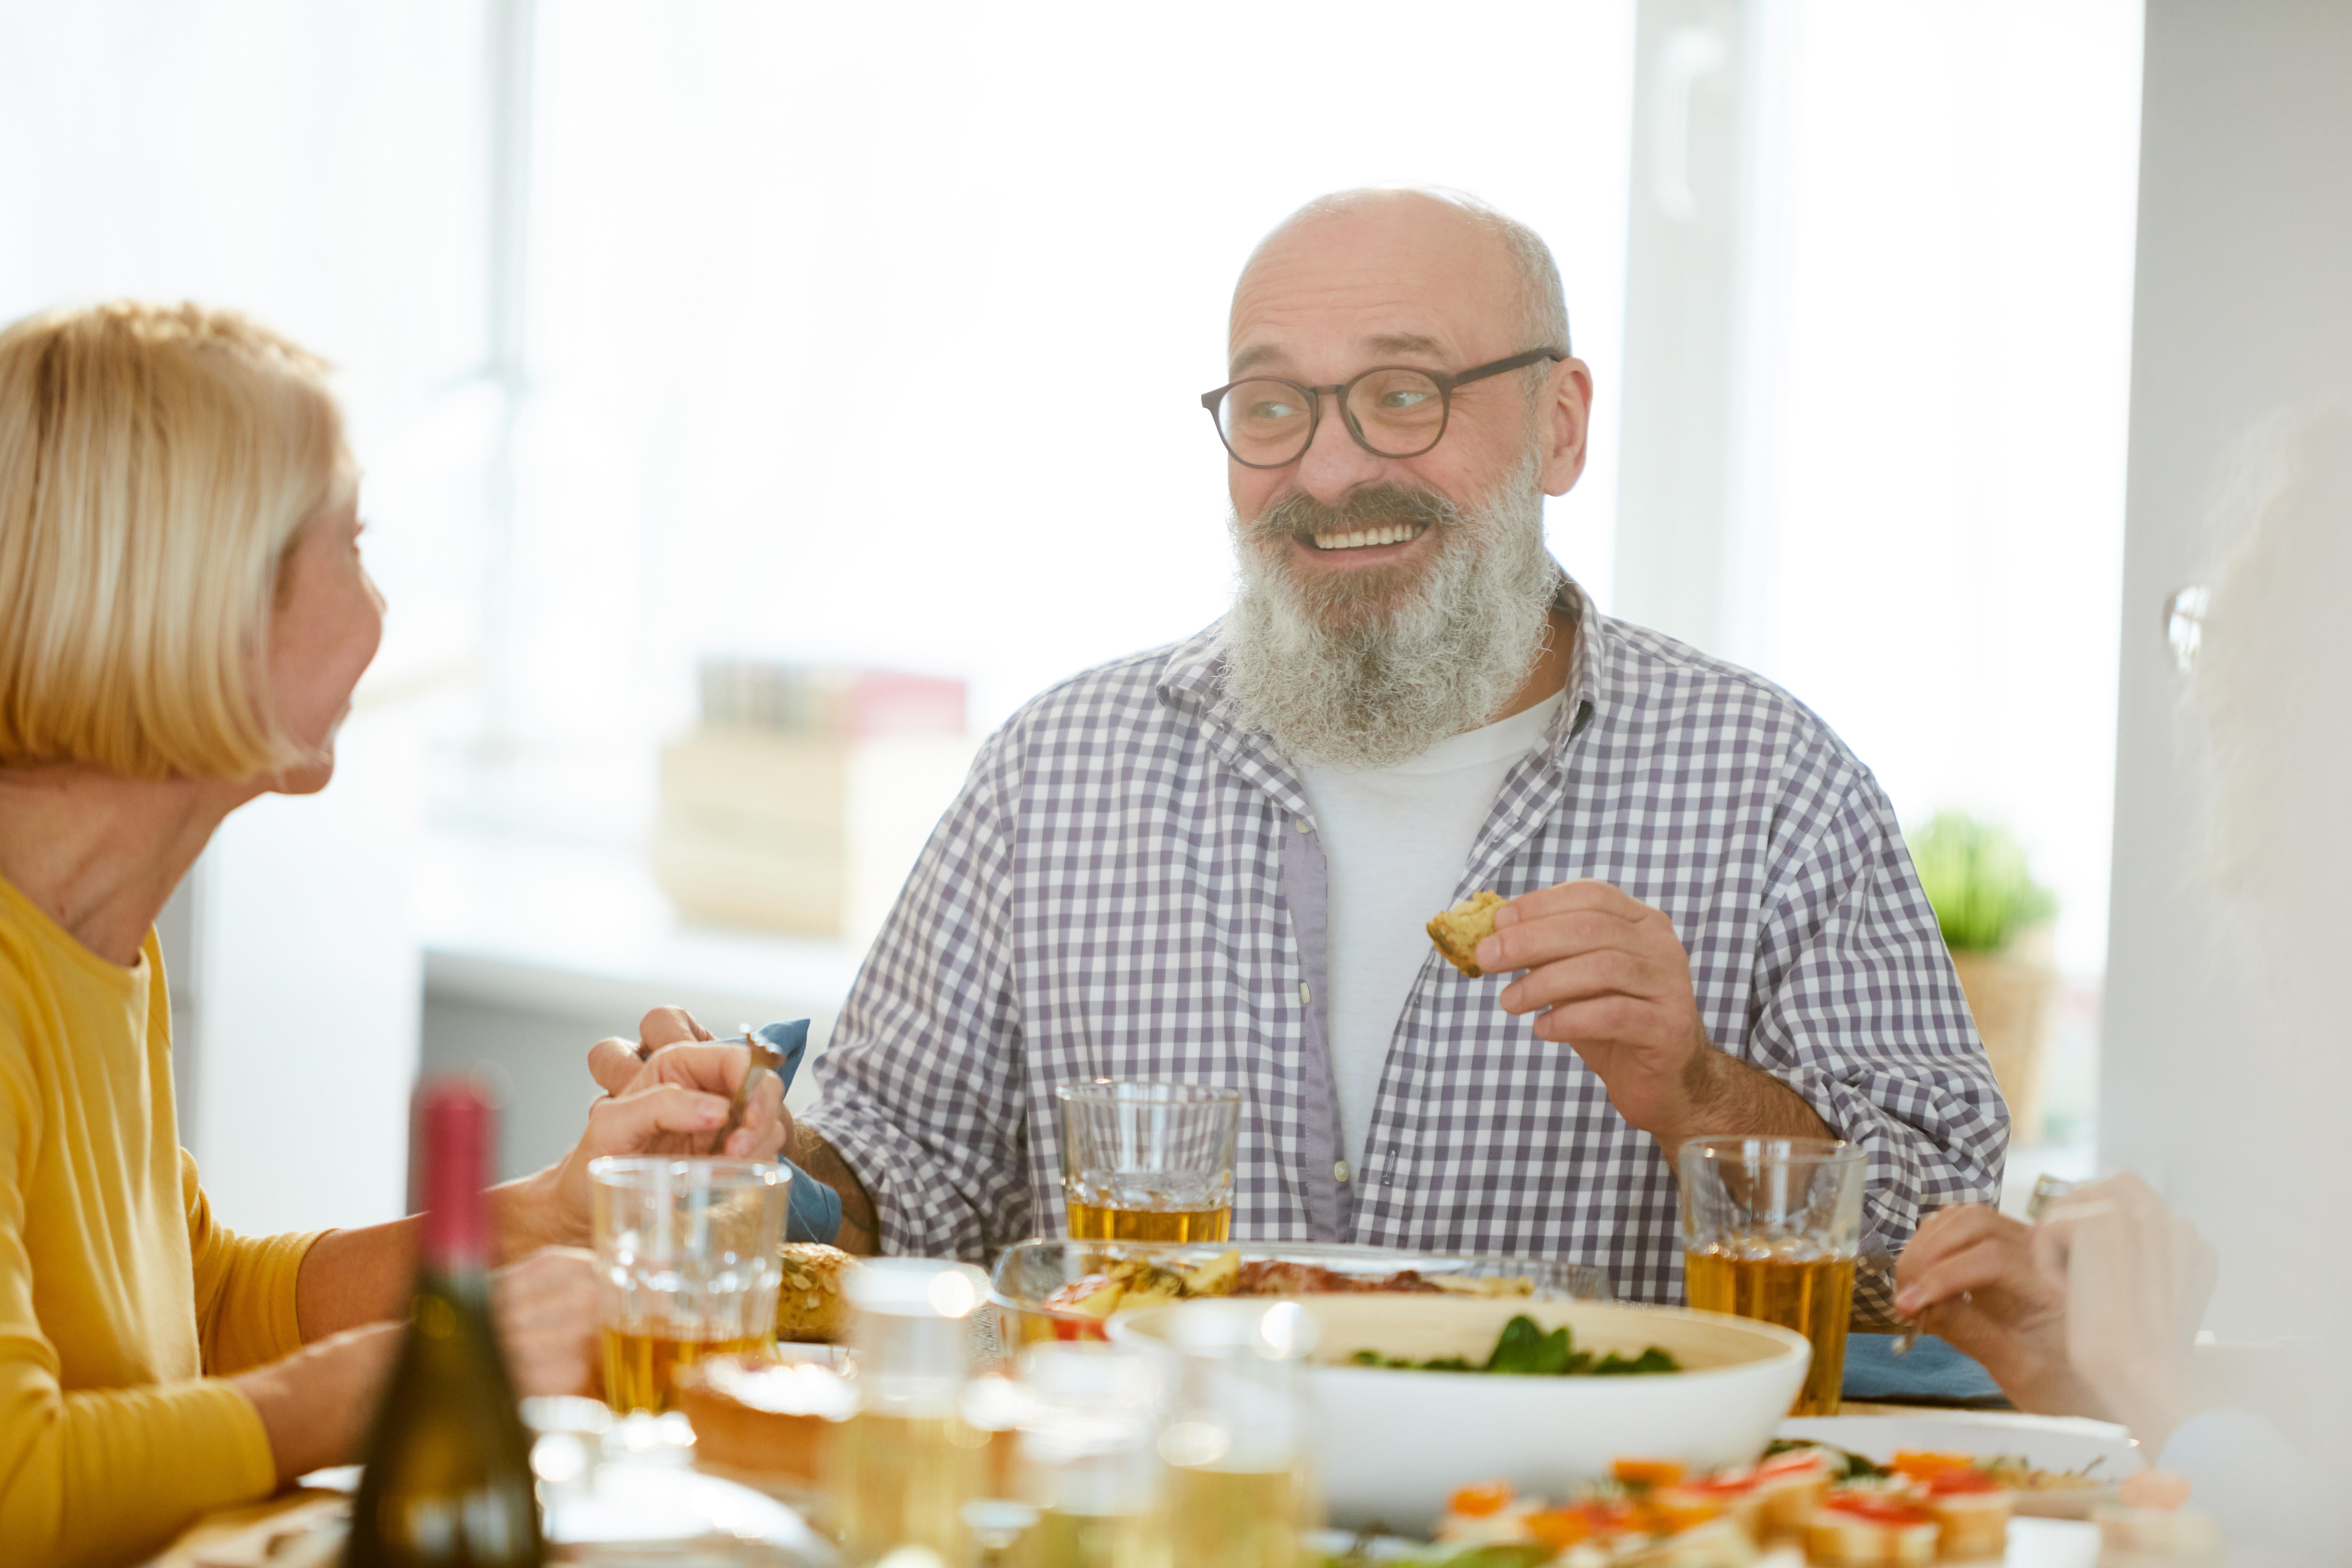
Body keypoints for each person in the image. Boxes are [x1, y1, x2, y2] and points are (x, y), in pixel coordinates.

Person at [721, 187, 2004, 1306]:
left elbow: (1940, 1256)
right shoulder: (1058, 770)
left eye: (1404, 395)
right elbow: (891, 1172)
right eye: (1273, 405)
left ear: (1559, 425)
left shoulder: (1770, 786)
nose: (1328, 471)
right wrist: (755, 1163)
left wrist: (1701, 1093)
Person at [0, 302, 788, 1566]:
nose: (380, 606)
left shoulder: (97, 941)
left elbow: (199, 1313)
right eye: (351, 543)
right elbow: (18, 1484)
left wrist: (542, 1220)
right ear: (207, 593)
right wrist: (411, 1369)